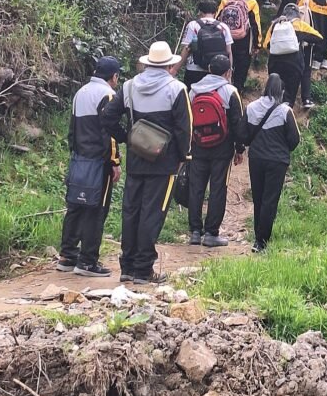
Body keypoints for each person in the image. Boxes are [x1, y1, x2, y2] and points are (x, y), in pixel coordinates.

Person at [100, 41, 192, 285]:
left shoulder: (129, 86)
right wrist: (183, 157)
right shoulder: (177, 89)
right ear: (169, 65)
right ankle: (143, 269)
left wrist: (126, 137)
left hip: (136, 159)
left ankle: (127, 267)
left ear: (148, 63)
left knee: (131, 211)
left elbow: (107, 117)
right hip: (164, 163)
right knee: (153, 212)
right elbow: (184, 129)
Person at [58, 56, 122, 277]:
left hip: (79, 159)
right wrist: (115, 161)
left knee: (75, 207)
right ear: (114, 76)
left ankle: (67, 256)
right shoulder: (108, 95)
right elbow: (109, 132)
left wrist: (75, 155)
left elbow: (72, 129)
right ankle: (87, 261)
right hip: (98, 163)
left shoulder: (81, 92)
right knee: (96, 210)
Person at [188, 54, 244, 247]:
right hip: (222, 148)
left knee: (196, 188)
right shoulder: (230, 92)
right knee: (218, 188)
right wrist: (239, 149)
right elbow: (237, 123)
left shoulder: (194, 90)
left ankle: (195, 232)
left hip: (198, 146)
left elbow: (188, 120)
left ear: (209, 69)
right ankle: (211, 233)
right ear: (228, 72)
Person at [241, 73, 300, 251]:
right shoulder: (285, 111)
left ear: (265, 88)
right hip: (277, 161)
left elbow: (243, 135)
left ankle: (257, 237)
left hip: (256, 158)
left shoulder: (251, 107)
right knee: (270, 200)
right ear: (281, 91)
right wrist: (283, 149)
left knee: (258, 198)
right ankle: (262, 241)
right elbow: (294, 139)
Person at [263, 4, 322, 106]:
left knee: (273, 93)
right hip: (294, 64)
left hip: (275, 63)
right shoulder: (300, 24)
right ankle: (286, 112)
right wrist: (303, 38)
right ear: (297, 14)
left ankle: (270, 110)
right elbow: (319, 37)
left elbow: (266, 44)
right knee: (289, 96)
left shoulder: (276, 24)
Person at [217, 0, 262, 91]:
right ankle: (238, 89)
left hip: (226, 38)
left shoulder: (226, 0)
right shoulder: (251, 2)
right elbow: (256, 25)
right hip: (243, 40)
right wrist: (257, 44)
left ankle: (224, 88)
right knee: (242, 64)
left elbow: (217, 19)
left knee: (226, 62)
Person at [178, 0, 233, 88]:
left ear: (200, 12)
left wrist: (175, 69)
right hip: (216, 72)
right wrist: (228, 74)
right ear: (215, 12)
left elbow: (186, 50)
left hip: (194, 70)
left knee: (192, 95)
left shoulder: (193, 25)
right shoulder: (223, 27)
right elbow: (229, 52)